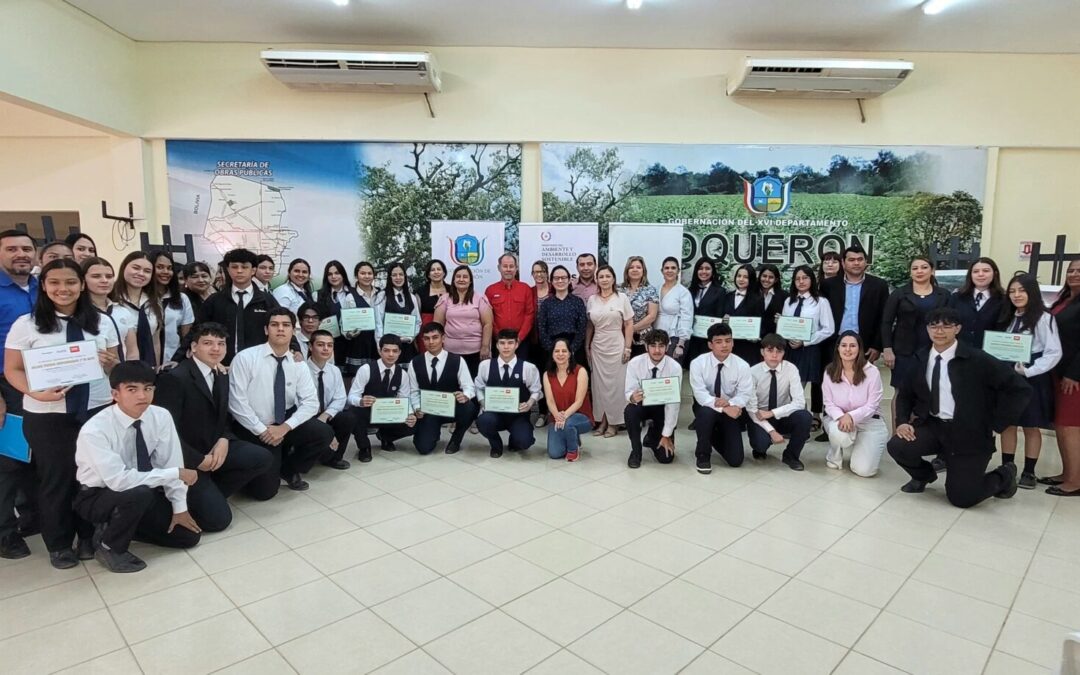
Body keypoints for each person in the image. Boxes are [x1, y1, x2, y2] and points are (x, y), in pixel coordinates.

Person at [4, 259, 120, 568]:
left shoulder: (102, 321)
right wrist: (33, 391)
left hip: (95, 409)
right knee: (56, 479)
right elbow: (12, 369)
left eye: (70, 282)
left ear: (81, 285)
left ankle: (86, 536)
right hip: (47, 413)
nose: (63, 289)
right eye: (55, 282)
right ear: (44, 286)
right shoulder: (26, 324)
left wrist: (111, 364)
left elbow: (115, 365)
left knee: (90, 477)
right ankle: (58, 543)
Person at [886, 307, 1032, 507]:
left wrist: (997, 423)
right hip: (934, 426)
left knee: (962, 498)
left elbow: (1019, 388)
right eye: (934, 325)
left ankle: (1004, 475)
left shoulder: (976, 359)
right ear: (927, 329)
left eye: (947, 326)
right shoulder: (919, 359)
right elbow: (905, 395)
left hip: (969, 432)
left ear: (958, 329)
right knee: (897, 446)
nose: (939, 331)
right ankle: (924, 475)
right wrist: (902, 422)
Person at [74, 361, 202, 573]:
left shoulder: (160, 416)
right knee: (138, 493)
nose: (142, 396)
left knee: (188, 537)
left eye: (148, 389)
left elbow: (171, 460)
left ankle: (121, 527)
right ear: (115, 394)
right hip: (97, 496)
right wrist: (175, 474)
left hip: (142, 490)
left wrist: (180, 508)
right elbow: (118, 481)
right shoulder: (95, 430)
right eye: (132, 389)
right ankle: (110, 547)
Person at [155, 323, 272, 529]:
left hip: (214, 446)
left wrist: (224, 439)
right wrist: (198, 460)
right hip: (186, 458)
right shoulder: (175, 379)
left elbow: (223, 417)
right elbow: (164, 435)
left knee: (261, 457)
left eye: (221, 343)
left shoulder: (220, 374)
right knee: (219, 521)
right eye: (208, 343)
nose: (216, 349)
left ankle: (211, 492)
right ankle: (187, 498)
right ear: (193, 347)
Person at [228, 307, 333, 496]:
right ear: (266, 330)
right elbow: (237, 403)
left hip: (284, 423)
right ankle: (267, 467)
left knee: (322, 432)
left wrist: (285, 427)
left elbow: (311, 403)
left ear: (294, 330)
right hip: (253, 427)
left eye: (286, 325)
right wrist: (262, 431)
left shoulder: (298, 363)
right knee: (265, 493)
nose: (280, 329)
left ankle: (288, 468)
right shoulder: (245, 358)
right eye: (275, 325)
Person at [996, 273, 1061, 489]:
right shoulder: (1008, 316)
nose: (1016, 295)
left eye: (1021, 290)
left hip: (1032, 376)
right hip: (1007, 376)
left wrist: (1031, 370)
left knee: (1031, 425)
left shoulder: (1044, 317)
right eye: (1012, 291)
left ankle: (1029, 472)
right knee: (1008, 424)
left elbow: (1053, 352)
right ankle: (1007, 467)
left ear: (1031, 292)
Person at [0, 230, 39, 560]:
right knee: (10, 459)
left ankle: (32, 517)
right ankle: (4, 533)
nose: (20, 254)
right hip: (7, 385)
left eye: (26, 248)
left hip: (46, 382)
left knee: (37, 453)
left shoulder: (45, 287)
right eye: (11, 249)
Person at [882, 256, 950, 428]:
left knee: (931, 390)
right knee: (901, 391)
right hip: (904, 351)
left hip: (935, 350)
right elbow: (886, 322)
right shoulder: (899, 294)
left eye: (924, 267)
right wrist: (887, 348)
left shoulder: (944, 295)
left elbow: (951, 323)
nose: (919, 271)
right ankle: (898, 434)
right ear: (910, 272)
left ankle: (925, 433)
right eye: (915, 268)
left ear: (932, 270)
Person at [198, 248, 283, 364]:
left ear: (253, 270)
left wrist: (295, 349)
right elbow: (197, 329)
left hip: (258, 363)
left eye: (244, 267)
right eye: (234, 267)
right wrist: (178, 357)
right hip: (222, 364)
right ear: (227, 269)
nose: (239, 271)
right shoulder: (215, 300)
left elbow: (282, 324)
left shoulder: (266, 300)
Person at [821, 331, 888, 477]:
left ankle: (861, 444)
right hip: (838, 420)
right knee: (840, 435)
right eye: (844, 345)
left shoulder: (872, 372)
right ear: (838, 348)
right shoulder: (829, 371)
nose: (848, 350)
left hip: (870, 422)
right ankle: (834, 454)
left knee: (864, 471)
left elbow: (872, 405)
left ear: (859, 349)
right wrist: (842, 417)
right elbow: (829, 403)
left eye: (852, 346)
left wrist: (851, 416)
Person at [690, 322, 753, 474]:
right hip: (707, 407)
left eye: (728, 341)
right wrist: (723, 406)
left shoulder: (742, 366)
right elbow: (700, 394)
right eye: (718, 342)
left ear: (733, 342)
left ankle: (710, 435)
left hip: (731, 410)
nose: (724, 345)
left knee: (736, 460)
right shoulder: (698, 363)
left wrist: (730, 404)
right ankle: (703, 454)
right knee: (706, 413)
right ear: (710, 345)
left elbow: (744, 394)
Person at [408, 322, 478, 455]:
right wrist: (417, 408)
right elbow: (413, 391)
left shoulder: (457, 360)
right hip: (428, 411)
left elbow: (469, 387)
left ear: (443, 338)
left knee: (469, 407)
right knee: (423, 448)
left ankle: (456, 439)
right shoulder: (415, 362)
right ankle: (433, 432)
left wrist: (465, 395)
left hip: (451, 408)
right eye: (427, 338)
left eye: (435, 337)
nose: (431, 342)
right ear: (422, 340)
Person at [746, 333, 812, 471]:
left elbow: (799, 402)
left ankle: (791, 456)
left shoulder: (791, 369)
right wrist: (771, 432)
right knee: (760, 443)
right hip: (759, 417)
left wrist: (772, 413)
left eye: (779, 351)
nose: (774, 355)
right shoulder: (752, 372)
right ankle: (760, 449)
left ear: (784, 353)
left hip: (781, 415)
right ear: (762, 352)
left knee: (805, 417)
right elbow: (751, 409)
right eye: (770, 350)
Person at [347, 334, 417, 462]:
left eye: (395, 351)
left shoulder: (402, 374)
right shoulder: (366, 369)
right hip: (368, 412)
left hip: (388, 413)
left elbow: (404, 400)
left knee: (413, 423)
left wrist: (410, 414)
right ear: (380, 351)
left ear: (400, 352)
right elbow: (351, 396)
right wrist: (361, 401)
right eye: (386, 350)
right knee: (352, 413)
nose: (391, 354)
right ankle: (364, 447)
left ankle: (386, 437)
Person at [474, 330, 542, 457]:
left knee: (524, 441)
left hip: (518, 415)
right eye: (502, 343)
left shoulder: (528, 367)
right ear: (497, 345)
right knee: (483, 421)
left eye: (510, 343)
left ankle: (515, 440)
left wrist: (529, 403)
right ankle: (496, 445)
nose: (506, 347)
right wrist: (483, 403)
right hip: (494, 414)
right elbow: (479, 387)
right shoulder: (485, 365)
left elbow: (536, 390)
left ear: (517, 344)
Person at [1044, 259, 1080, 495]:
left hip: (1073, 376)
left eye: (1079, 271)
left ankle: (1075, 482)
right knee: (1060, 425)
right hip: (1058, 371)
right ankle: (1067, 473)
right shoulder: (1065, 298)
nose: (1074, 274)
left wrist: (1074, 374)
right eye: (1071, 270)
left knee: (1070, 426)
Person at [623, 329, 682, 469]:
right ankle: (636, 451)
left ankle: (652, 436)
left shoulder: (675, 367)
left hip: (663, 408)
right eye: (653, 346)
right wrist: (632, 397)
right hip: (642, 405)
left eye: (661, 346)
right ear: (646, 347)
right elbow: (629, 392)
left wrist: (666, 434)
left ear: (667, 347)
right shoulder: (635, 363)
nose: (657, 350)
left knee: (666, 458)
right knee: (630, 411)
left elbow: (673, 404)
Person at [820, 244, 890, 362]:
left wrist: (877, 345)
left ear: (866, 262)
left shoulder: (879, 285)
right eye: (851, 260)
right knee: (833, 379)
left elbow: (884, 318)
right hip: (833, 343)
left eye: (860, 259)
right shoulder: (829, 285)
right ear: (843, 263)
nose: (856, 263)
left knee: (862, 380)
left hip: (865, 345)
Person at [586, 265, 634, 438]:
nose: (604, 279)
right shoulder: (592, 299)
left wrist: (627, 347)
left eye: (608, 276)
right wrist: (587, 345)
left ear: (613, 279)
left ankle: (614, 423)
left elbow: (629, 324)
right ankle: (602, 421)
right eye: (601, 276)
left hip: (616, 345)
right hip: (598, 346)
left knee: (615, 385)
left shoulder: (622, 298)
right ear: (596, 280)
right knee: (598, 386)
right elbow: (590, 325)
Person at [306, 329, 359, 470]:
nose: (325, 349)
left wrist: (325, 416)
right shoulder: (301, 370)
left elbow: (340, 398)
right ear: (310, 347)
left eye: (329, 345)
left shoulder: (334, 370)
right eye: (321, 345)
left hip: (325, 414)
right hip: (306, 416)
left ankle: (334, 458)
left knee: (348, 418)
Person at [316, 260, 376, 380]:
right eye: (330, 274)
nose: (334, 276)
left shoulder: (354, 293)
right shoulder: (318, 295)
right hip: (329, 344)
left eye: (337, 273)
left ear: (343, 274)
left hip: (352, 344)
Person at [434, 264, 493, 378]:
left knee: (474, 385)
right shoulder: (444, 299)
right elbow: (437, 325)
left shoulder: (480, 298)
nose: (461, 279)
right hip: (450, 352)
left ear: (470, 281)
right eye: (458, 276)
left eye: (465, 277)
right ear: (453, 280)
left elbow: (488, 324)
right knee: (452, 384)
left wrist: (485, 347)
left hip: (476, 352)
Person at [780, 264, 834, 385]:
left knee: (798, 387)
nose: (801, 281)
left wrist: (805, 342)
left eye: (805, 278)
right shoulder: (788, 301)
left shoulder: (821, 302)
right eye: (797, 279)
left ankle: (799, 404)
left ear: (812, 280)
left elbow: (828, 329)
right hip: (789, 349)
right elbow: (784, 326)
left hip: (808, 349)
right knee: (785, 387)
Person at [110, 251, 164, 368]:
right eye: (136, 268)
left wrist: (157, 369)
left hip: (147, 367)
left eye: (147, 271)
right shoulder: (110, 298)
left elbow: (155, 340)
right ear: (124, 267)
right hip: (118, 367)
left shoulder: (155, 301)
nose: (141, 273)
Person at [543, 336, 593, 461]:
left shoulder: (580, 371)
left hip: (580, 416)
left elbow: (579, 401)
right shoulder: (547, 374)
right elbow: (549, 400)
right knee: (555, 453)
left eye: (564, 351)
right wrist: (557, 416)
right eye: (557, 351)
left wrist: (564, 416)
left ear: (570, 353)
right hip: (557, 417)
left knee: (569, 424)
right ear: (552, 354)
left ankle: (573, 450)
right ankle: (572, 436)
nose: (560, 354)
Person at [83, 257, 137, 362]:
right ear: (82, 279)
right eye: (96, 276)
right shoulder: (78, 313)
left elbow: (132, 351)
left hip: (123, 373)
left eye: (109, 276)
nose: (104, 280)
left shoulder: (123, 311)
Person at [811, 251, 843, 432]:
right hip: (817, 339)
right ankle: (815, 414)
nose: (830, 264)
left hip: (836, 338)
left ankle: (831, 415)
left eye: (834, 261)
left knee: (834, 377)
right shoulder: (815, 287)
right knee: (817, 378)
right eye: (826, 261)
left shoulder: (844, 286)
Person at [484, 253, 535, 362]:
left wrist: (519, 338)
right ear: (499, 268)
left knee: (521, 373)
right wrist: (499, 337)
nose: (508, 269)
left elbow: (529, 314)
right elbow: (488, 317)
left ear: (516, 268)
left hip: (521, 342)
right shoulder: (490, 290)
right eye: (505, 266)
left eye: (511, 266)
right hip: (499, 341)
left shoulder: (525, 289)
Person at [537, 265, 588, 367]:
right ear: (551, 281)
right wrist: (552, 350)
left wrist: (571, 350)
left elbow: (582, 327)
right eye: (556, 278)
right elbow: (541, 329)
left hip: (575, 349)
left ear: (569, 280)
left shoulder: (578, 302)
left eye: (563, 278)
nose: (560, 281)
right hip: (551, 349)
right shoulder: (546, 304)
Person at [949, 257, 1005, 348]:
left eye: (986, 271)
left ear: (995, 273)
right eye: (975, 271)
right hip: (960, 352)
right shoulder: (957, 297)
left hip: (989, 355)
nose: (980, 274)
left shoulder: (1003, 300)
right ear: (970, 275)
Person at [153, 252, 195, 365]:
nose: (165, 272)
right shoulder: (142, 299)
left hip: (173, 359)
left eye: (169, 268)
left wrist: (178, 359)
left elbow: (186, 335)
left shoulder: (182, 298)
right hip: (144, 360)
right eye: (160, 267)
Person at [375, 262, 421, 363]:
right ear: (390, 277)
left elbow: (417, 322)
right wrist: (380, 345)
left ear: (405, 276)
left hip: (407, 347)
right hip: (389, 348)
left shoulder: (411, 297)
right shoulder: (382, 296)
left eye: (401, 274)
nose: (398, 278)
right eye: (394, 275)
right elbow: (378, 323)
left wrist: (409, 337)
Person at [686, 257, 727, 365]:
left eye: (707, 268)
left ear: (713, 271)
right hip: (691, 338)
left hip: (708, 339)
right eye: (700, 268)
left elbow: (719, 314)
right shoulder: (690, 290)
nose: (704, 271)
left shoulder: (720, 291)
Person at [528, 260, 553, 428]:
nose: (539, 274)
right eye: (535, 272)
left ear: (547, 273)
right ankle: (541, 411)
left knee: (550, 375)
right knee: (537, 375)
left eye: (542, 271)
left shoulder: (554, 289)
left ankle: (553, 411)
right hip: (533, 340)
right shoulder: (528, 291)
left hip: (553, 341)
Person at [724, 263, 765, 365]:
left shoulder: (757, 298)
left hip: (748, 347)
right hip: (729, 345)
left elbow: (760, 322)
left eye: (745, 277)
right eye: (739, 276)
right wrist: (724, 320)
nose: (741, 279)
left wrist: (755, 335)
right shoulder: (727, 296)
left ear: (751, 279)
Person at [656, 256, 693, 361]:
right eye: (666, 268)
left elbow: (687, 317)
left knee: (671, 372)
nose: (670, 271)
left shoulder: (683, 292)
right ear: (662, 271)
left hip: (675, 337)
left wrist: (681, 344)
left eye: (673, 268)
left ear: (678, 271)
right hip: (657, 336)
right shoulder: (656, 289)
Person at [622, 256, 659, 358]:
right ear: (627, 270)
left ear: (643, 271)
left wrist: (631, 329)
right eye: (631, 267)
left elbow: (652, 316)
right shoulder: (619, 289)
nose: (635, 270)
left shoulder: (650, 290)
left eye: (638, 267)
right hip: (621, 337)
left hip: (643, 338)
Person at [417, 259, 449, 326]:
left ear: (444, 273)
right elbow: (417, 316)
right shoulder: (420, 292)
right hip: (427, 332)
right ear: (428, 274)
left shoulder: (452, 290)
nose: (436, 272)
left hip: (449, 331)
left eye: (439, 269)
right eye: (432, 270)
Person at [757, 264, 787, 337]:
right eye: (764, 276)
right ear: (760, 276)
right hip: (753, 339)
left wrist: (783, 319)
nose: (767, 280)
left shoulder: (784, 296)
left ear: (776, 280)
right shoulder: (752, 293)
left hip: (774, 340)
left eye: (771, 277)